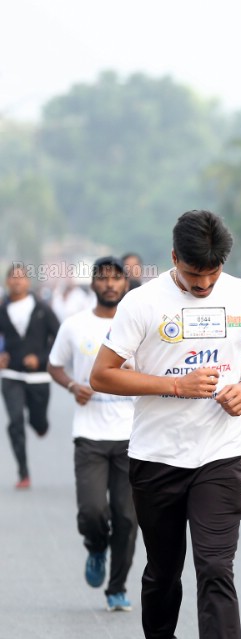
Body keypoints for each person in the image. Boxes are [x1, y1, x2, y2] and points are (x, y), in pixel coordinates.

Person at [91, 209, 241, 639]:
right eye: (195, 276)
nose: (205, 284)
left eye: (213, 275)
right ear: (173, 260)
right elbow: (102, 373)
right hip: (156, 459)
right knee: (163, 573)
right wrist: (174, 385)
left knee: (216, 567)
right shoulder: (141, 304)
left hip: (219, 457)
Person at [47, 256, 138, 611]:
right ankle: (96, 546)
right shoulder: (75, 326)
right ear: (93, 284)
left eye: (117, 278)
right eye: (104, 278)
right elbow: (55, 365)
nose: (111, 284)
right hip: (89, 434)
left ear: (126, 285)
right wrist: (72, 385)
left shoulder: (139, 326)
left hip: (133, 435)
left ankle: (117, 588)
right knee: (92, 511)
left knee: (127, 517)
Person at [0, 264, 60, 489]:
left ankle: (40, 425)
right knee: (15, 422)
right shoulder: (2, 309)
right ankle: (23, 472)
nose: (16, 282)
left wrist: (41, 358)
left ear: (27, 282)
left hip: (38, 377)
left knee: (37, 421)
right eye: (12, 278)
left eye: (21, 277)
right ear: (7, 282)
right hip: (11, 374)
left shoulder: (42, 308)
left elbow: (59, 337)